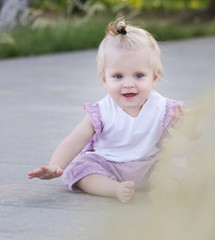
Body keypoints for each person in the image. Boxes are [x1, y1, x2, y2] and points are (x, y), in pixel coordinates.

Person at [28, 17, 201, 203]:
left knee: (173, 164)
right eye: (118, 76)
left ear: (154, 77)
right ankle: (113, 188)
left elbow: (194, 134)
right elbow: (74, 141)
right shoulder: (101, 111)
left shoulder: (164, 108)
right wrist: (56, 165)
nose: (128, 84)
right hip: (108, 166)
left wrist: (189, 126)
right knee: (79, 169)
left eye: (139, 75)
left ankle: (164, 189)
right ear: (105, 80)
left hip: (151, 164)